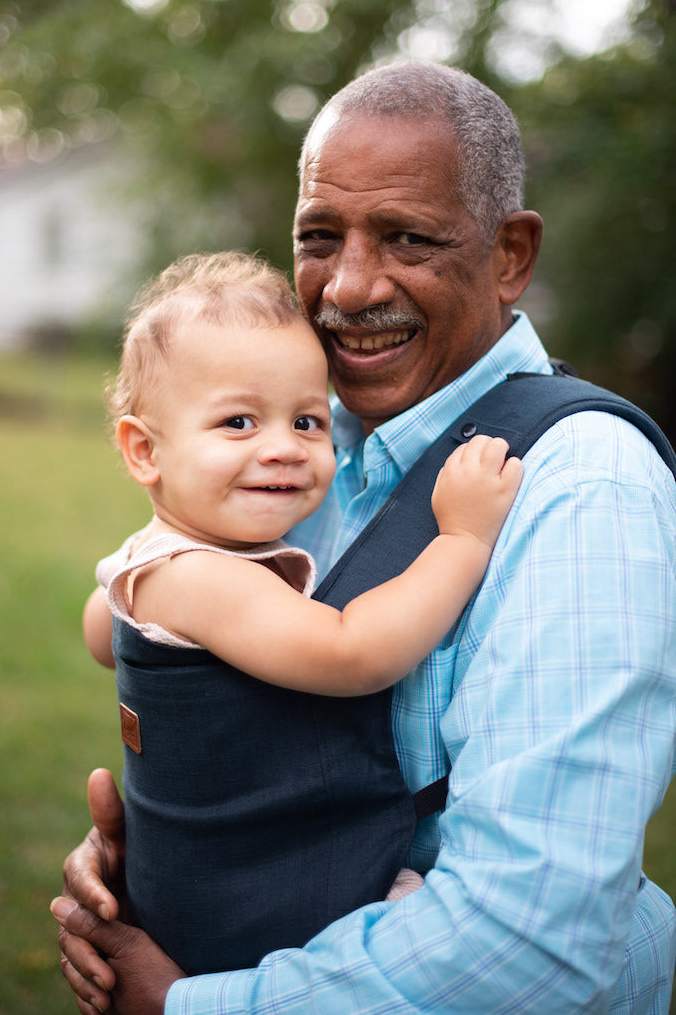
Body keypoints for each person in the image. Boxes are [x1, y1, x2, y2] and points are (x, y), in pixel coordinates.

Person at [53, 60, 676, 1014]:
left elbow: (534, 944)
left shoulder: (583, 487)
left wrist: (188, 1005)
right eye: (318, 237)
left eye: (407, 238)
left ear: (510, 255)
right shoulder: (303, 448)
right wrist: (174, 843)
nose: (346, 287)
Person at [81, 248, 521, 975]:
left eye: (309, 422)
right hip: (253, 900)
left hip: (202, 880)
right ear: (144, 451)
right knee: (434, 941)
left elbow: (102, 636)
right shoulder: (200, 577)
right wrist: (464, 538)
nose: (283, 448)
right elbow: (354, 654)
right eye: (239, 422)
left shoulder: (147, 558)